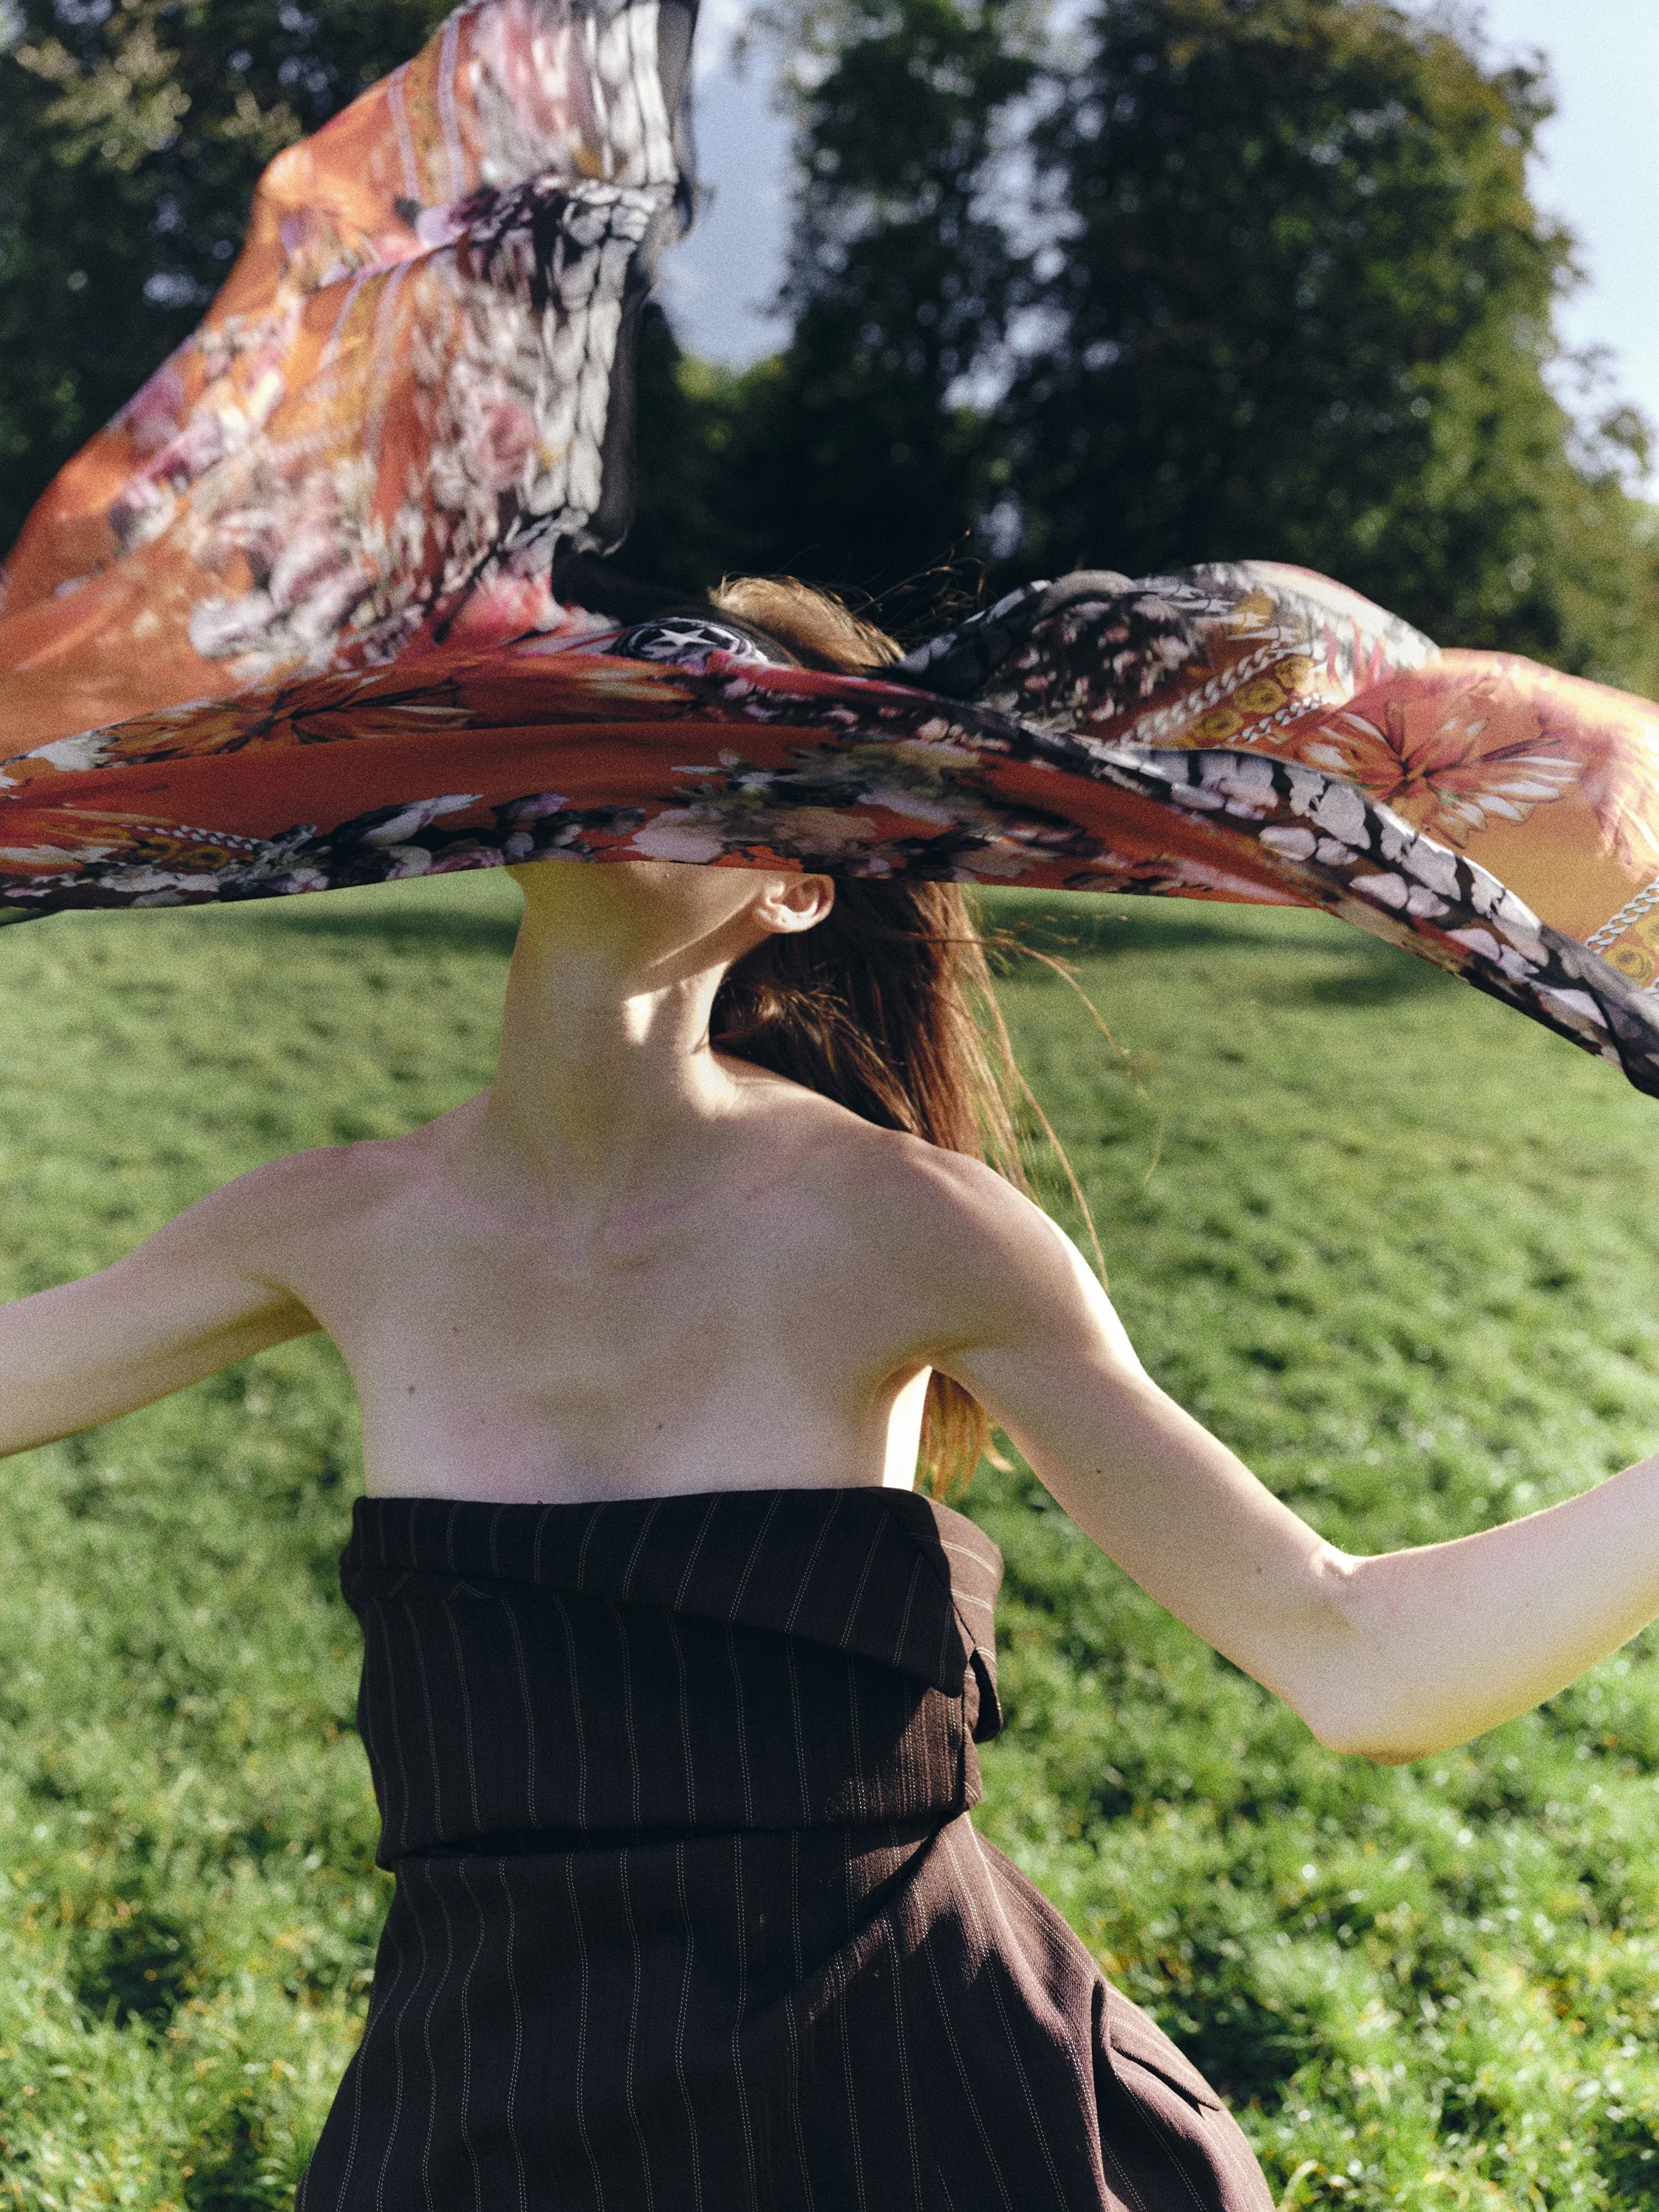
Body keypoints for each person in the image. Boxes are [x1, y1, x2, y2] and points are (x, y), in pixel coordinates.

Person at [3, 576, 1659, 2208]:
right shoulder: (335, 1223)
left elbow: (1363, 1660)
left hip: (905, 2112)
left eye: (714, 749)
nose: (640, 759)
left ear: (799, 884)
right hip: (480, 2115)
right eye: (619, 715)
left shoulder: (912, 1231)